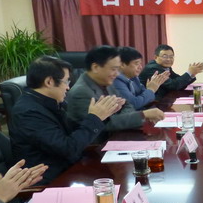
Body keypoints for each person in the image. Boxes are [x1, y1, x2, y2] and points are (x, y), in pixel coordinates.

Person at [11, 55, 121, 184]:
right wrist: (95, 118)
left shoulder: (52, 102)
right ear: (49, 82)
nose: (68, 87)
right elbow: (68, 148)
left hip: (68, 168)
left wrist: (103, 114)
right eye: (66, 82)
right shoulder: (29, 113)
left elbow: (74, 133)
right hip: (50, 179)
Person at [67, 45, 164, 131]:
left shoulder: (106, 82)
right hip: (100, 143)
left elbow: (127, 105)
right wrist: (142, 115)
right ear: (95, 67)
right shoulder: (81, 92)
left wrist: (120, 113)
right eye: (113, 69)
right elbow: (103, 125)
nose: (117, 74)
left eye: (117, 69)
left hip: (119, 134)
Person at [138, 44, 203, 98]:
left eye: (171, 57)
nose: (168, 59)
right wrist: (189, 73)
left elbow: (178, 81)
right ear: (156, 57)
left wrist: (192, 74)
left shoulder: (165, 67)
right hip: (151, 103)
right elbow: (174, 85)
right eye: (165, 56)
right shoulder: (153, 68)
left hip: (163, 99)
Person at [112, 46, 169, 110]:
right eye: (136, 64)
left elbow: (145, 97)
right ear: (122, 65)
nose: (140, 67)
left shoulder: (134, 78)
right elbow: (133, 104)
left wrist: (152, 88)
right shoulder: (116, 81)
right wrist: (151, 89)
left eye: (140, 63)